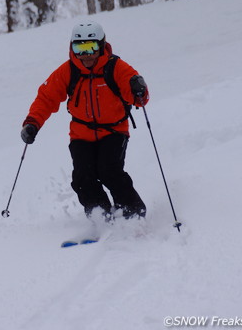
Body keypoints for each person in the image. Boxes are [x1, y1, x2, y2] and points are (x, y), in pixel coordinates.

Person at [21, 21, 149, 221]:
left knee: (109, 171)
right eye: (79, 48)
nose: (86, 55)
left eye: (91, 48)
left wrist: (138, 90)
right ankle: (101, 216)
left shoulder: (116, 67)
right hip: (81, 133)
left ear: (101, 45)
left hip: (114, 131)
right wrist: (32, 123)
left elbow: (139, 98)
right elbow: (46, 97)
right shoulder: (69, 71)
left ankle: (132, 212)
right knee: (82, 177)